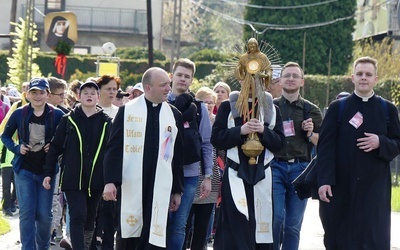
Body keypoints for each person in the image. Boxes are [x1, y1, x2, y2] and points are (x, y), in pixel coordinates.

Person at [317, 56, 400, 249]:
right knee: (340, 236)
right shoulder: (338, 108)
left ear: (375, 79)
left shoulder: (387, 109)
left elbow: (397, 142)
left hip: (375, 189)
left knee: (373, 237)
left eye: (368, 74)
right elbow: (325, 148)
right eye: (360, 74)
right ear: (352, 77)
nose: (364, 77)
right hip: (342, 186)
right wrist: (324, 180)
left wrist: (381, 141)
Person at [102, 67, 184, 249]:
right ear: (148, 88)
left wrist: (177, 189)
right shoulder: (127, 112)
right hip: (131, 184)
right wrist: (110, 181)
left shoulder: (174, 115)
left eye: (168, 85)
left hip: (159, 185)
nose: (168, 89)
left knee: (154, 237)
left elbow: (176, 156)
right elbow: (113, 149)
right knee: (129, 237)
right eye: (163, 85)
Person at [211, 78, 285, 250]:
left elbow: (280, 144)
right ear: (241, 79)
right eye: (248, 77)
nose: (252, 82)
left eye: (257, 78)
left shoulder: (272, 109)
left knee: (261, 225)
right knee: (235, 225)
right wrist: (240, 131)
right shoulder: (227, 107)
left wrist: (263, 131)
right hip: (235, 174)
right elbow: (216, 139)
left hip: (262, 175)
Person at [43, 80, 112, 250]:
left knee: (90, 217)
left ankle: (84, 245)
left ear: (98, 97)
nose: (89, 96)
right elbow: (55, 148)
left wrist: (112, 179)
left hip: (96, 179)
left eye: (92, 93)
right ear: (78, 96)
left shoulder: (106, 122)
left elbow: (113, 152)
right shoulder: (68, 120)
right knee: (78, 214)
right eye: (85, 93)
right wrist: (48, 173)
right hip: (73, 178)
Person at [1, 77, 64, 249]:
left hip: (47, 171)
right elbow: (5, 136)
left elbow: (67, 139)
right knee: (27, 212)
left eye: (41, 92)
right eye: (34, 92)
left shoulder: (57, 115)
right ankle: (27, 247)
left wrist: (55, 146)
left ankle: (42, 247)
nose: (38, 96)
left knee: (44, 214)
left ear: (48, 95)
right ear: (27, 94)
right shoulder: (19, 113)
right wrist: (16, 148)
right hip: (24, 170)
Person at [271, 62, 323, 250]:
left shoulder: (311, 110)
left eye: (295, 76)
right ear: (280, 79)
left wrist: (310, 134)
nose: (291, 79)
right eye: (287, 75)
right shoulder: (271, 107)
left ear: (302, 81)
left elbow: (322, 142)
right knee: (275, 219)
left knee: (293, 224)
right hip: (275, 167)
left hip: (300, 170)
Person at [167, 58, 213, 250]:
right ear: (171, 76)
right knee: (158, 222)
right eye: (179, 75)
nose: (182, 79)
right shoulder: (161, 103)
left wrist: (208, 175)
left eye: (187, 76)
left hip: (190, 174)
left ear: (192, 80)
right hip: (162, 171)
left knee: (179, 225)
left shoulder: (200, 108)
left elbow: (206, 143)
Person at [184, 87, 221, 250]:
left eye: (211, 102)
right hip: (192, 175)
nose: (207, 105)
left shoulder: (218, 122)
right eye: (204, 102)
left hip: (210, 175)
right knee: (184, 225)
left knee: (203, 226)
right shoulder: (193, 118)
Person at [47, 76, 70, 245]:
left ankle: (51, 232)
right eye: (60, 95)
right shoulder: (26, 111)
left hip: (55, 165)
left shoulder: (62, 114)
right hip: (32, 165)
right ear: (49, 94)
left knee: (55, 200)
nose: (63, 98)